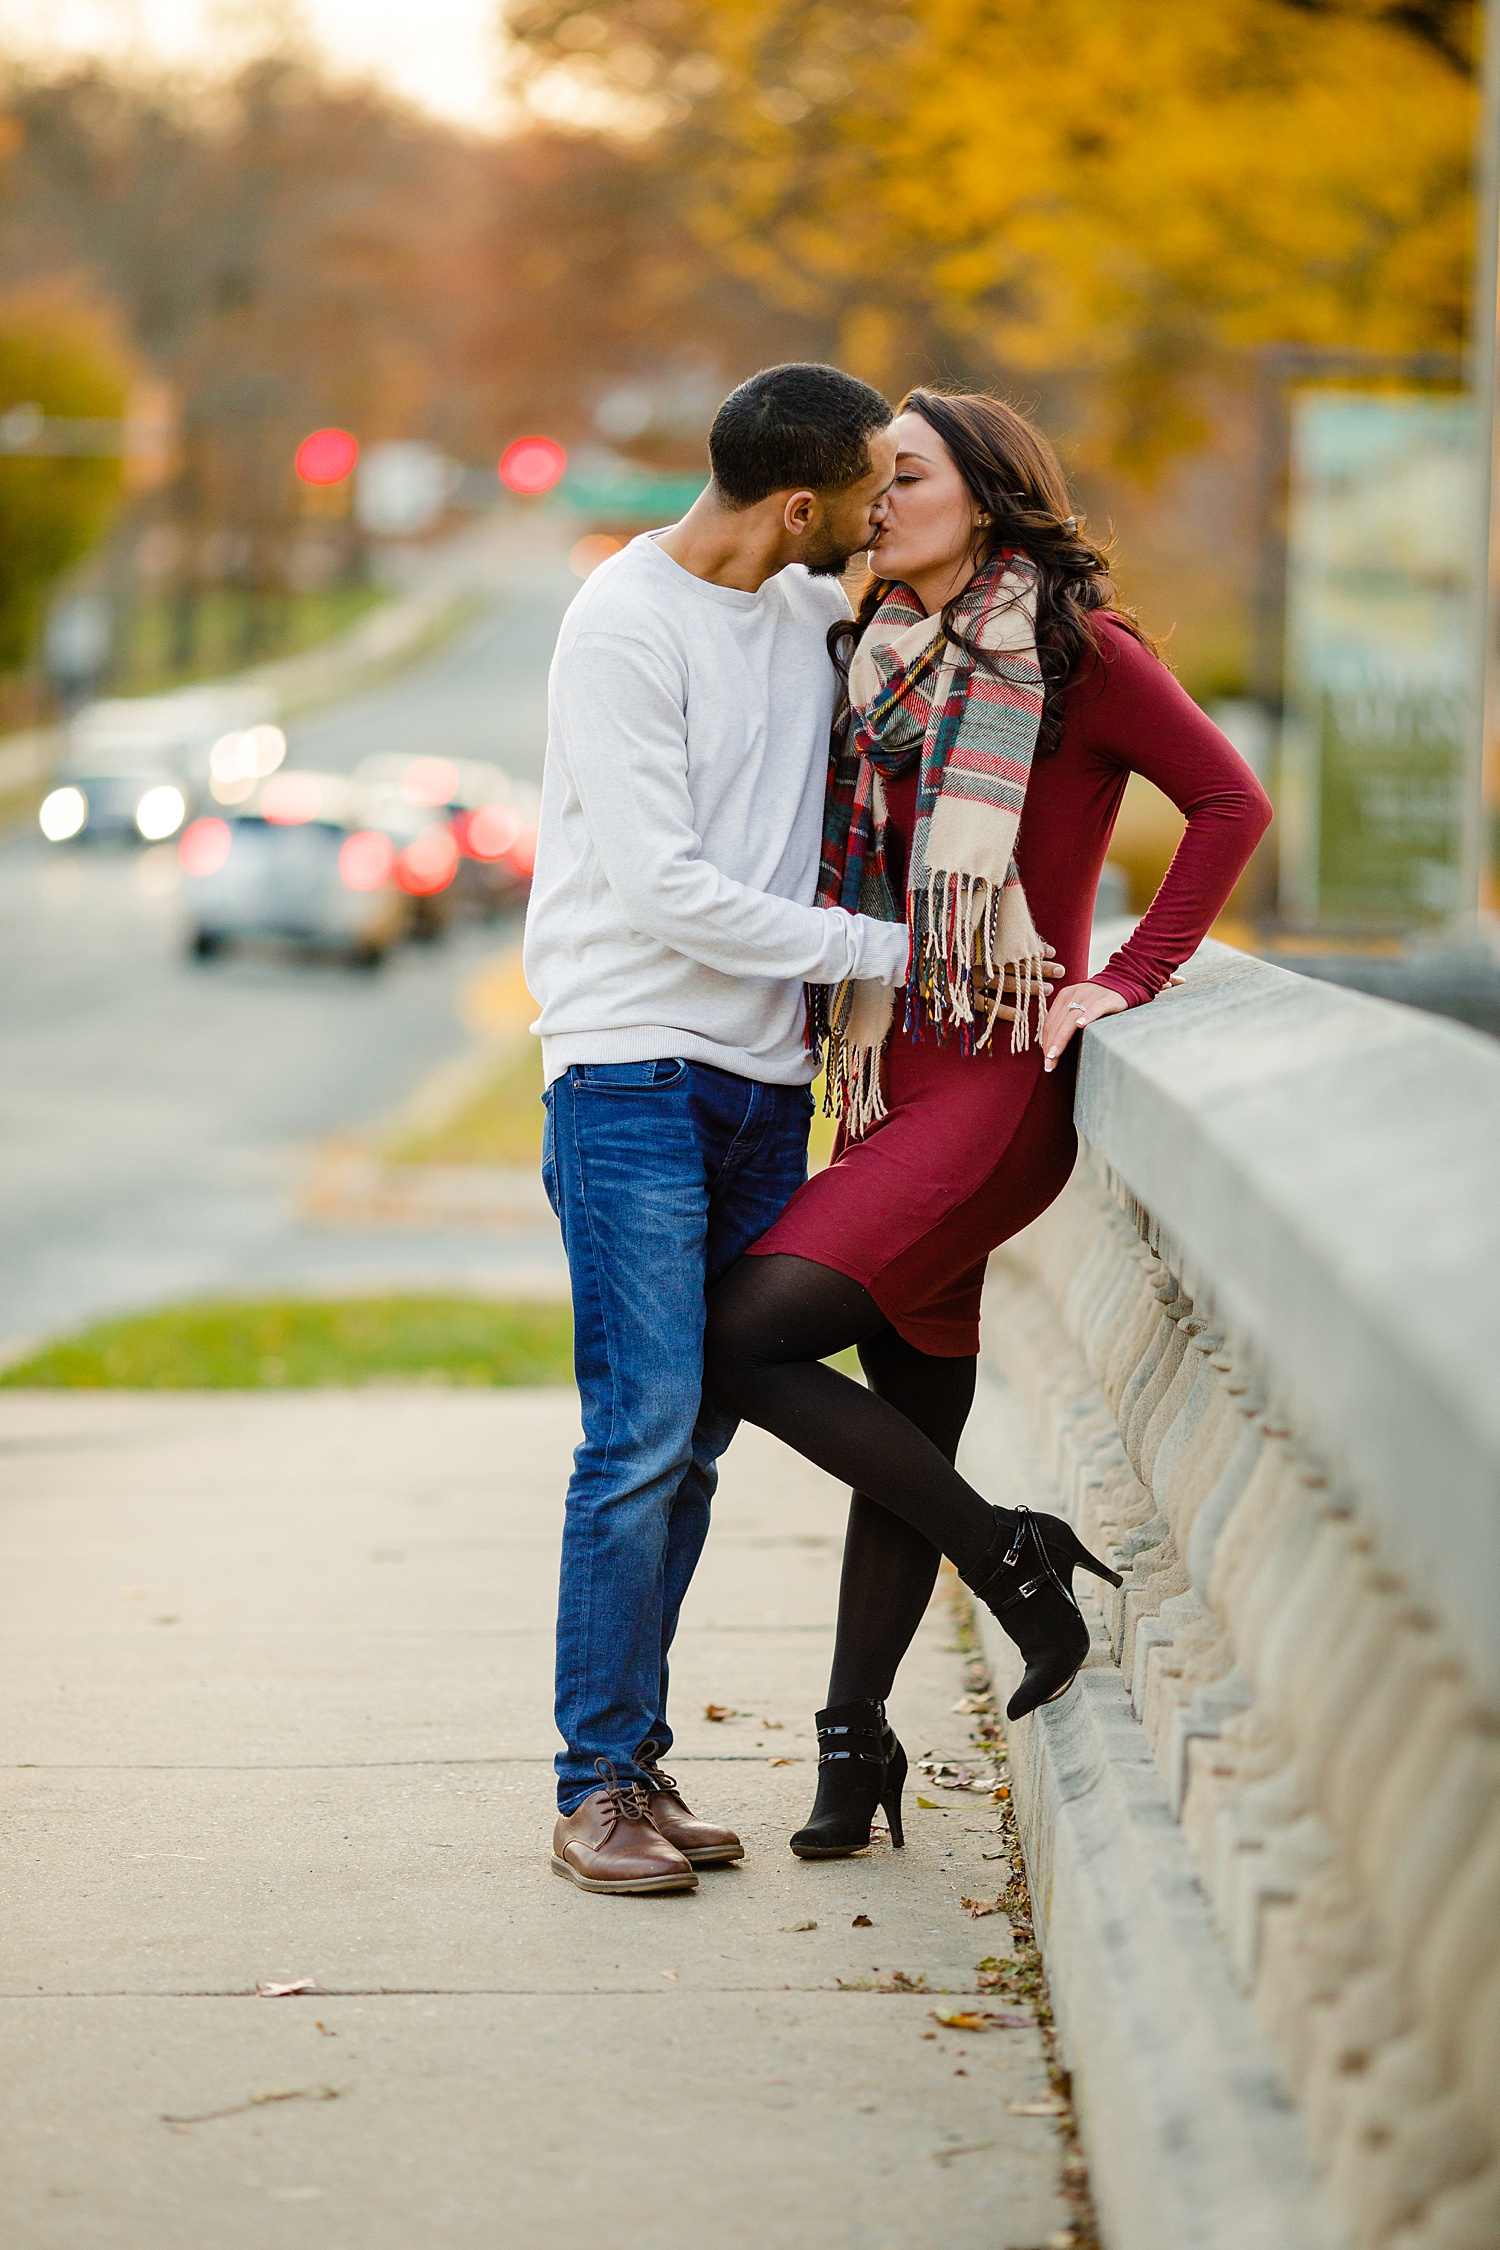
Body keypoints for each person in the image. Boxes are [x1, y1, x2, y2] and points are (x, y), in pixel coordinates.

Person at [702, 389, 1272, 1859]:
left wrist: (1126, 979)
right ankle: (853, 1739)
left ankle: (1012, 1558)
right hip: (892, 1068)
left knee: (746, 1332)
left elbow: (1227, 802)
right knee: (905, 1413)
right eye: (870, 480)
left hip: (1002, 1088)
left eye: (906, 477)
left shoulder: (1075, 650)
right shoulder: (872, 652)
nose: (874, 500)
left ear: (990, 497)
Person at [524, 363, 917, 1895]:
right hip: (630, 1071)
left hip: (763, 1082)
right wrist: (889, 953)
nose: (888, 508)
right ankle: (592, 1783)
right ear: (803, 504)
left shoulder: (810, 613)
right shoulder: (621, 627)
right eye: (876, 485)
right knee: (635, 1435)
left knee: (693, 1438)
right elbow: (665, 886)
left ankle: (637, 1753)